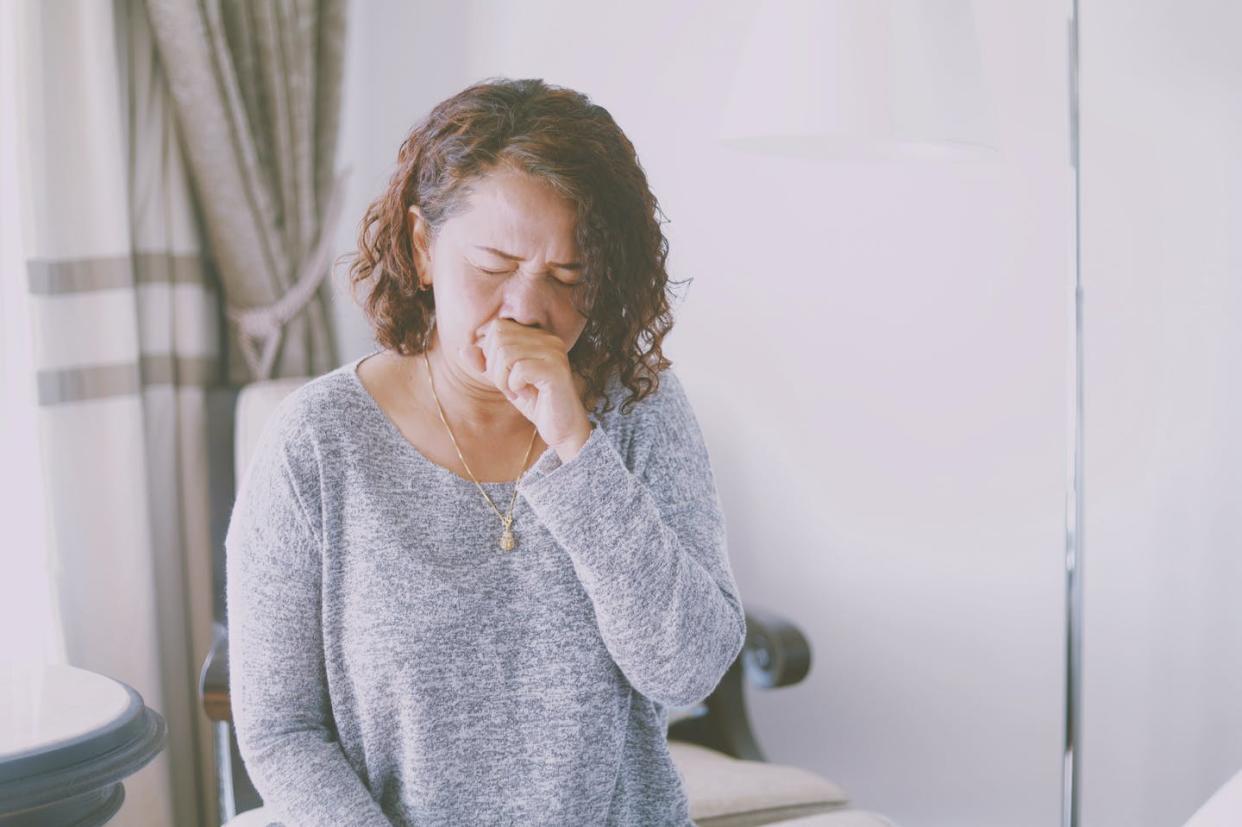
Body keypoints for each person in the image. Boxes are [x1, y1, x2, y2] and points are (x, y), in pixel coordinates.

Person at [225, 76, 746, 827]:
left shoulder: (639, 408)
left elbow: (687, 670)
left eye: (570, 276)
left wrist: (576, 445)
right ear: (421, 245)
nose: (528, 308)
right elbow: (281, 730)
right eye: (496, 265)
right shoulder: (316, 444)